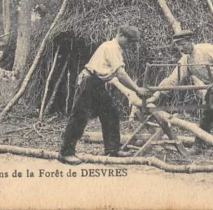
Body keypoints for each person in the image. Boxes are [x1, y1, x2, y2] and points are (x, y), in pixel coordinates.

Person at [60, 26, 151, 158]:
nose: (130, 45)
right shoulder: (111, 47)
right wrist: (137, 89)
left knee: (111, 113)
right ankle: (66, 152)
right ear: (120, 35)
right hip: (89, 81)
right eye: (129, 41)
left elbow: (111, 74)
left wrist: (128, 91)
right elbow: (121, 74)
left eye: (133, 42)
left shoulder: (117, 49)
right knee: (80, 116)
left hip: (97, 83)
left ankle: (112, 150)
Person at [147, 30, 213, 154]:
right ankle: (199, 146)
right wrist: (156, 95)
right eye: (178, 45)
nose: (181, 48)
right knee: (207, 115)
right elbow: (172, 80)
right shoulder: (185, 61)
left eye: (183, 44)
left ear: (190, 41)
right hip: (212, 85)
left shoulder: (207, 49)